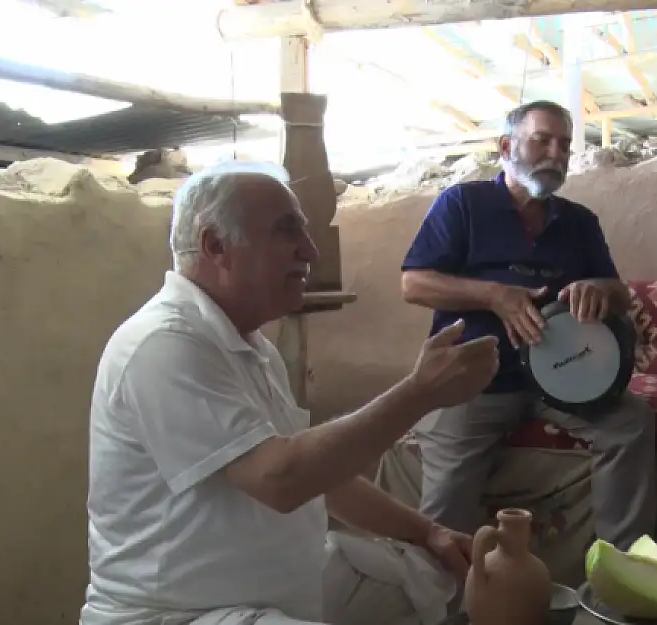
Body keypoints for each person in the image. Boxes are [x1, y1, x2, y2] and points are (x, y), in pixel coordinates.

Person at [81, 160, 501, 625]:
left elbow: (324, 478)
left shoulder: (251, 344)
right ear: (215, 245)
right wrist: (418, 394)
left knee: (426, 578)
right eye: (287, 231)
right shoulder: (163, 345)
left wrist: (430, 533)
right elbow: (281, 480)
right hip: (180, 615)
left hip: (275, 597)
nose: (311, 250)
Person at [399, 100, 657, 551]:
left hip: (565, 381)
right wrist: (494, 295)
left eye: (565, 144)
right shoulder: (462, 204)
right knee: (444, 512)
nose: (557, 153)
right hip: (473, 381)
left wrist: (598, 287)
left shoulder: (578, 222)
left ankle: (622, 577)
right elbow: (414, 284)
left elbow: (618, 293)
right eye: (543, 140)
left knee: (631, 423)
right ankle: (440, 603)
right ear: (506, 146)